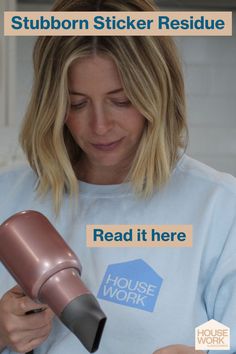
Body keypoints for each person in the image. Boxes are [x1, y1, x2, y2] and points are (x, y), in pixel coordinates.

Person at [0, 0, 236, 353]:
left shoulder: (218, 204)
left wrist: (202, 348)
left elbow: (226, 327)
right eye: (77, 103)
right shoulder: (9, 196)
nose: (99, 126)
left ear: (157, 94)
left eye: (122, 100)